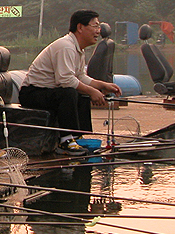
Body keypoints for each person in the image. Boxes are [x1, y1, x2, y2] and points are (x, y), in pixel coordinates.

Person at [19, 9, 121, 156]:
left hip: (49, 91)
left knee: (80, 93)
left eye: (99, 27)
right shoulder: (66, 46)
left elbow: (79, 76)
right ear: (80, 27)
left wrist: (102, 85)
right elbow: (65, 80)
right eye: (95, 26)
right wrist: (91, 91)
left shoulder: (78, 48)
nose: (98, 31)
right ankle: (66, 140)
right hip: (32, 93)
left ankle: (77, 136)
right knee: (69, 93)